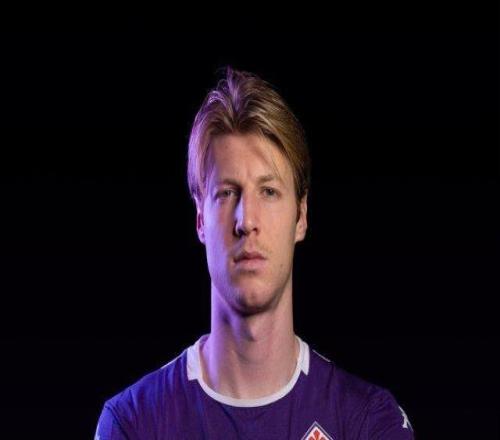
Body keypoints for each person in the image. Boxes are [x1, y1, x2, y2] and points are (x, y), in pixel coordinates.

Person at [95, 67, 414, 439]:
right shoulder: (133, 423)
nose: (246, 221)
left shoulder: (367, 421)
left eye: (269, 192)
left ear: (301, 216)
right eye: (227, 193)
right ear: (200, 219)